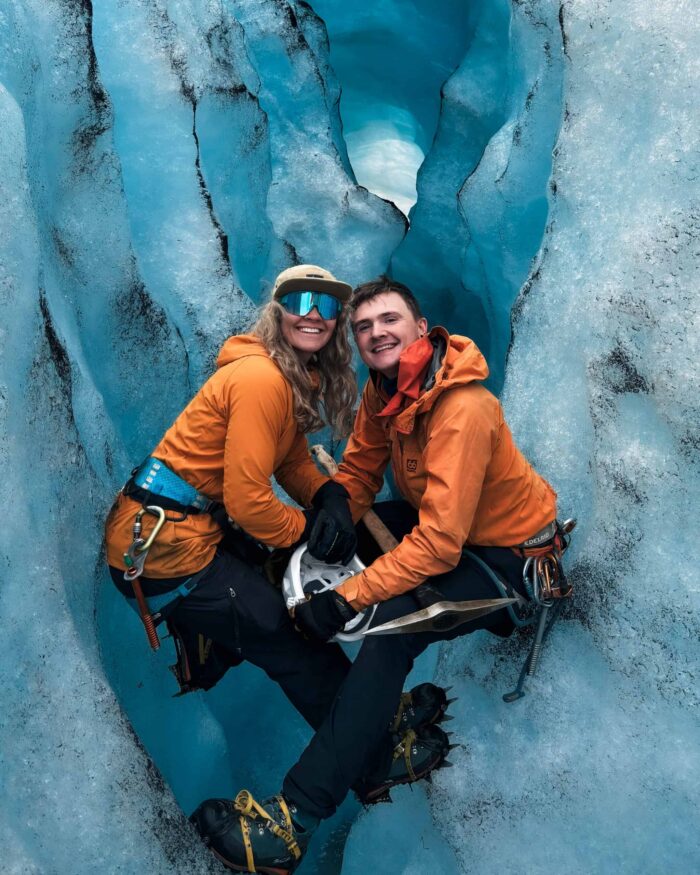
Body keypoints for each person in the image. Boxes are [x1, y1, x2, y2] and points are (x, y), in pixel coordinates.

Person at [192, 276, 561, 873]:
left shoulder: (463, 409)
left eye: (388, 320)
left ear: (421, 328)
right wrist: (337, 502)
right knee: (324, 535)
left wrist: (345, 599)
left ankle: (295, 820)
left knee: (391, 624)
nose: (374, 333)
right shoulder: (384, 391)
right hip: (442, 528)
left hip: (504, 561)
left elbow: (439, 545)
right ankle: (250, 636)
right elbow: (361, 470)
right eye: (363, 327)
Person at [105, 264, 360, 730]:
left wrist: (328, 495)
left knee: (275, 586)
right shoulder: (262, 380)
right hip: (165, 551)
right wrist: (308, 531)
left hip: (182, 529)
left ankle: (216, 639)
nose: (315, 315)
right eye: (302, 302)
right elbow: (248, 503)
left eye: (327, 306)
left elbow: (292, 461)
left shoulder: (286, 378)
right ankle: (368, 751)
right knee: (287, 635)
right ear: (278, 312)